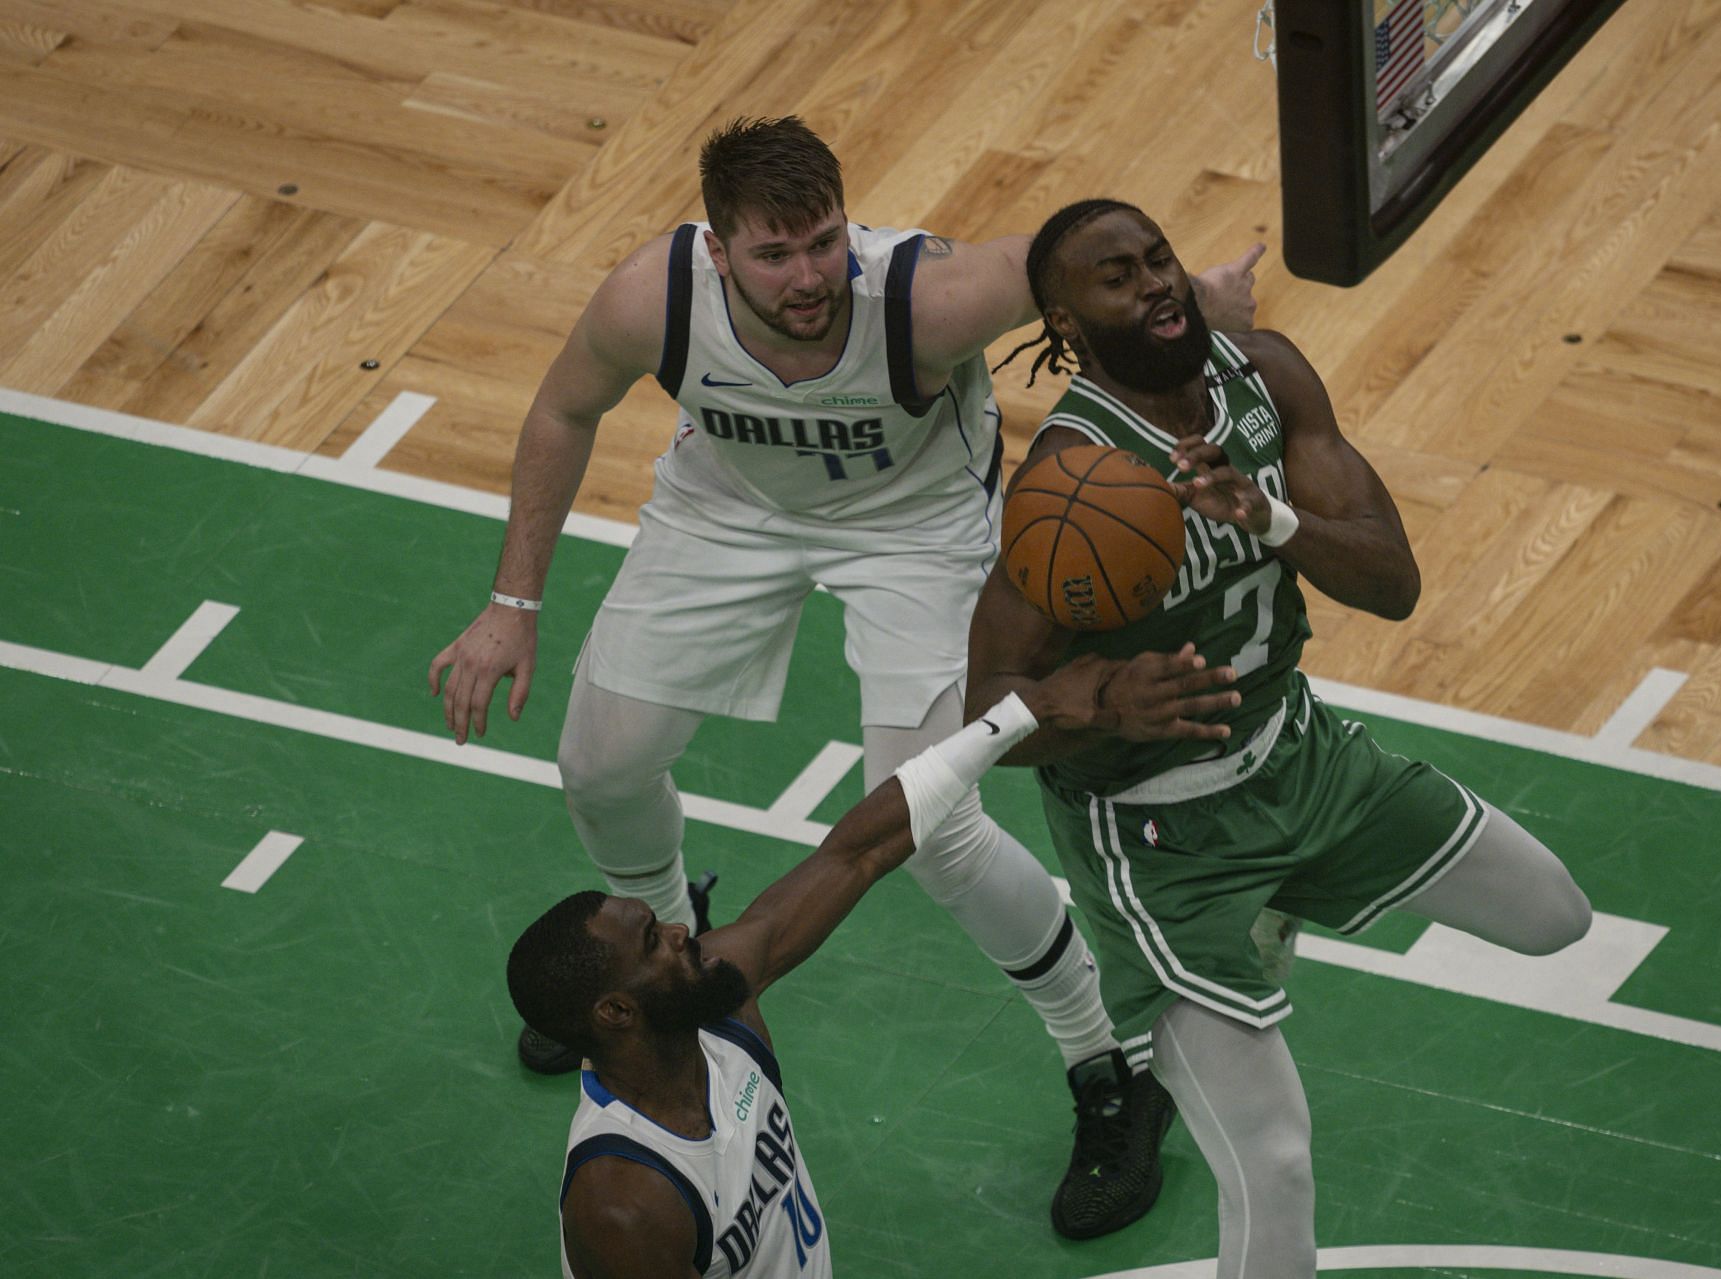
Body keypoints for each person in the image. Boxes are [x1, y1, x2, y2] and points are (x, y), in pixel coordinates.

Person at [429, 116, 1261, 1236]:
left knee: (938, 828)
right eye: (774, 255)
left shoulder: (924, 302)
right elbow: (564, 408)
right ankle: (684, 975)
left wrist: (1194, 300)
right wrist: (510, 606)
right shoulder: (653, 297)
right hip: (727, 511)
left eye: (823, 242)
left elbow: (1074, 252)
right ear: (718, 251)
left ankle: (1109, 1064)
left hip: (915, 530)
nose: (808, 275)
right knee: (602, 762)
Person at [965, 199, 1595, 1279]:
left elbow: (1394, 585)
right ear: (1066, 322)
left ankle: (1280, 907)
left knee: (1555, 917)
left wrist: (1273, 521)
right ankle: (1223, 955)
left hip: (1302, 756)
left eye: (1159, 258)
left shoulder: (1267, 375)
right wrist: (1106, 703)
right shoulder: (1070, 485)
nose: (1155, 282)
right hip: (1164, 842)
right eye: (1118, 278)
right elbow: (986, 715)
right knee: (1275, 1159)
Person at [507, 662, 1241, 1278]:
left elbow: (858, 849)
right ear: (614, 1013)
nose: (679, 927)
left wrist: (1024, 711)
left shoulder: (721, 1005)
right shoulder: (624, 1202)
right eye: (652, 942)